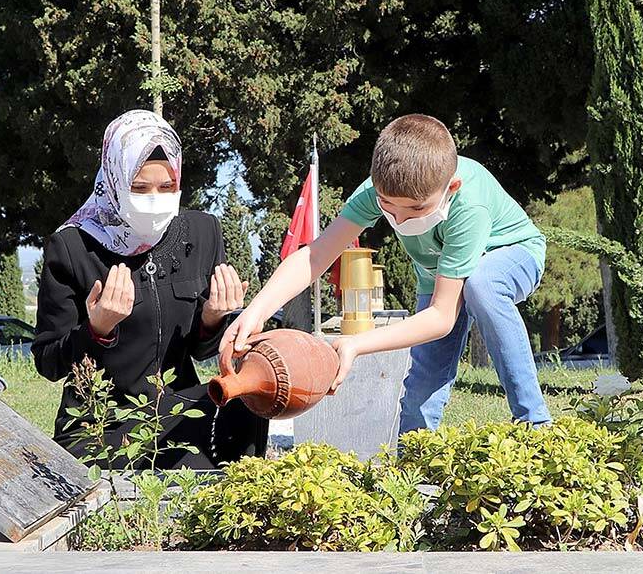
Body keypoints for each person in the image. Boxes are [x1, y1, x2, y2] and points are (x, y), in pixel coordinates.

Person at [223, 114, 551, 434]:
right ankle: (412, 459)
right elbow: (315, 256)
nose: (401, 219)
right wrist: (257, 310)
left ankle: (534, 424)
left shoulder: (469, 206)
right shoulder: (375, 192)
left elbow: (441, 317)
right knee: (422, 387)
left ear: (451, 188)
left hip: (513, 255)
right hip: (438, 276)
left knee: (481, 285)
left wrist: (356, 344)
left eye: (417, 209)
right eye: (388, 207)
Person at [33, 110, 267, 469]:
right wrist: (96, 330)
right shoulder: (73, 246)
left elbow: (201, 350)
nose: (155, 199)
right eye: (139, 188)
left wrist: (212, 318)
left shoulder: (202, 232)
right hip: (102, 424)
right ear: (114, 179)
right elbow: (48, 362)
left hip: (179, 412)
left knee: (251, 403)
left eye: (167, 187)